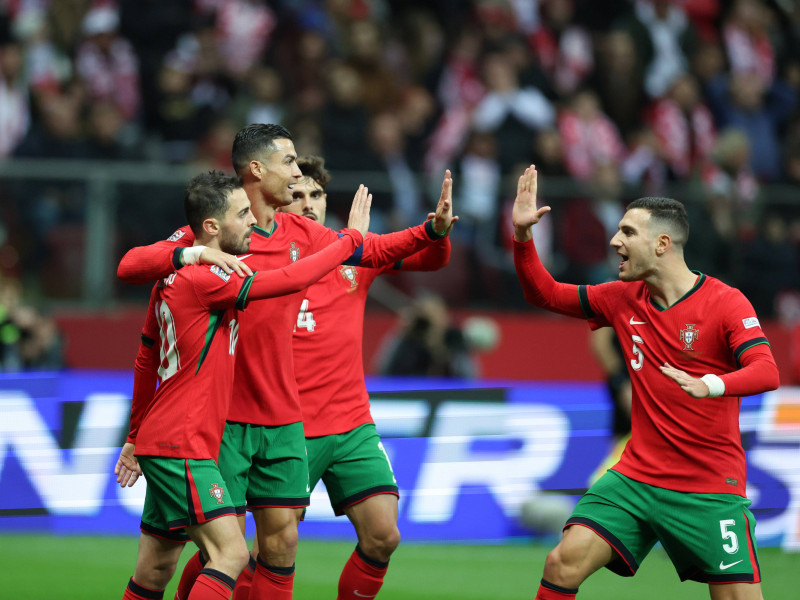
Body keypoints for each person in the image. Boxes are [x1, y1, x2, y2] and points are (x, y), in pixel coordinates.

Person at [116, 123, 457, 600]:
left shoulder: (303, 232)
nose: (298, 174)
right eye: (290, 163)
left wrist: (429, 229)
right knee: (204, 556)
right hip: (219, 424)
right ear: (256, 170)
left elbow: (373, 250)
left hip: (281, 419)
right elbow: (134, 269)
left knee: (279, 544)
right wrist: (187, 252)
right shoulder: (215, 241)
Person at [511, 165, 779, 600]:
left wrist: (708, 384)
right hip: (635, 477)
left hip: (707, 487)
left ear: (662, 244)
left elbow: (767, 371)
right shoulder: (621, 299)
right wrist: (523, 238)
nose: (615, 241)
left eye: (627, 232)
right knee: (562, 562)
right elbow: (544, 293)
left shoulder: (726, 303)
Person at [116, 170, 372, 600]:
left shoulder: (175, 274)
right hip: (184, 443)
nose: (252, 221)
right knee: (231, 555)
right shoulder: (209, 281)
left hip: (164, 439)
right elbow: (287, 280)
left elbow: (146, 357)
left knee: (155, 568)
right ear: (212, 227)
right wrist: (349, 242)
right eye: (242, 214)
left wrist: (135, 435)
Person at [271, 155, 451, 600]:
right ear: (277, 203)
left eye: (316, 195)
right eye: (297, 196)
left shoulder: (355, 251)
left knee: (383, 535)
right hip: (286, 429)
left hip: (351, 426)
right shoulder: (263, 257)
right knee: (256, 550)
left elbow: (429, 260)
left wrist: (440, 231)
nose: (308, 204)